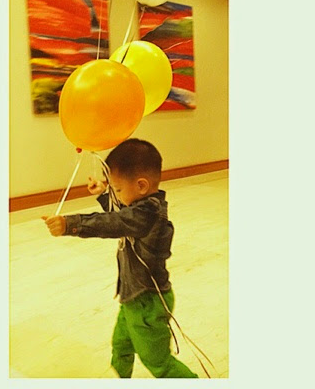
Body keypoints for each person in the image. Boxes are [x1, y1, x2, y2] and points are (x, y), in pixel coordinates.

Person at [42, 138, 198, 378]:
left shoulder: (148, 213)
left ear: (141, 185)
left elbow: (115, 222)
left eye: (118, 189)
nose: (117, 194)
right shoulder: (141, 207)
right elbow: (123, 215)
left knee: (159, 363)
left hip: (147, 302)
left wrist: (70, 224)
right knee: (121, 345)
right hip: (132, 299)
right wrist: (105, 194)